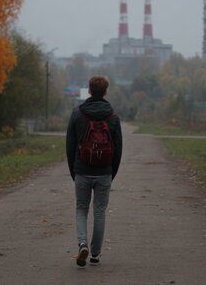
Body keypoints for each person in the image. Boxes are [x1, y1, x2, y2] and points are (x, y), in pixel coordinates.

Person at [66, 75, 123, 268]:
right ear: (105, 91)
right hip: (104, 172)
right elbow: (118, 149)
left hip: (82, 170)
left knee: (81, 209)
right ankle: (96, 255)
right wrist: (110, 172)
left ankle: (82, 244)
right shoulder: (113, 117)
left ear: (89, 91)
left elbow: (70, 146)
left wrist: (74, 171)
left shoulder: (77, 114)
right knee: (99, 212)